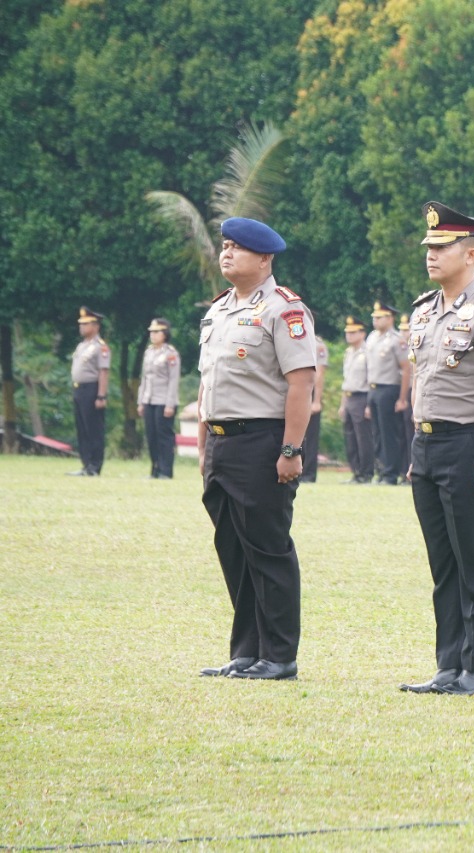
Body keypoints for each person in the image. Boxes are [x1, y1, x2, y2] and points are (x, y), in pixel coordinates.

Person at [398, 201, 474, 697]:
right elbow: (419, 382)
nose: (431, 254)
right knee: (441, 563)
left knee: (473, 560)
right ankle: (447, 664)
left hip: (469, 444)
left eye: (441, 247)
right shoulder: (423, 311)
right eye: (428, 246)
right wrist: (415, 451)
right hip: (427, 446)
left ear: (470, 254)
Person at [197, 217, 316, 681]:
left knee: (267, 549)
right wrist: (205, 447)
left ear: (263, 258)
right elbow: (210, 385)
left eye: (237, 248)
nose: (226, 253)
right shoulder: (219, 310)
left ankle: (280, 655)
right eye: (224, 246)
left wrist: (291, 448)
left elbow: (301, 384)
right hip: (222, 445)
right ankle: (247, 651)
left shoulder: (283, 310)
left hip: (262, 442)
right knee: (234, 550)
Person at [365, 301, 410, 485]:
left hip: (389, 389)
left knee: (388, 433)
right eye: (374, 317)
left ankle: (391, 473)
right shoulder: (372, 337)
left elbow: (406, 369)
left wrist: (402, 398)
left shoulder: (397, 340)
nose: (375, 320)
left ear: (390, 318)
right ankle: (381, 470)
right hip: (373, 389)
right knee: (376, 434)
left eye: (379, 317)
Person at [68, 308, 110, 477]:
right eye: (81, 324)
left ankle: (95, 465)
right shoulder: (82, 346)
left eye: (85, 324)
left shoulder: (100, 347)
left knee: (93, 429)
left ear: (95, 326)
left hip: (92, 389)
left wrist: (101, 395)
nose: (82, 327)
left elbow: (103, 372)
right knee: (82, 429)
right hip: (79, 389)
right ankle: (86, 464)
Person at [137, 318, 180, 479]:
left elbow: (173, 380)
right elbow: (144, 378)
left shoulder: (170, 354)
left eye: (156, 332)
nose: (152, 335)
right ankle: (155, 469)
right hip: (149, 399)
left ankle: (166, 471)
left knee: (164, 437)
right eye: (151, 332)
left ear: (165, 333)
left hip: (164, 401)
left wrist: (170, 404)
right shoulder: (149, 352)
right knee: (151, 436)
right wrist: (141, 401)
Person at [338, 316, 375, 484]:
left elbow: (371, 379)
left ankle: (366, 473)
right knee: (350, 437)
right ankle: (356, 472)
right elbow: (346, 381)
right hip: (349, 397)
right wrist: (342, 405)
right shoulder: (348, 352)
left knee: (363, 438)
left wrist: (369, 405)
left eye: (353, 332)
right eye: (348, 332)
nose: (349, 336)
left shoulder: (368, 352)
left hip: (362, 397)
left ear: (362, 333)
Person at [300, 335, 328, 483]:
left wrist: (316, 400)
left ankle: (308, 473)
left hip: (310, 391)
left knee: (310, 436)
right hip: (296, 390)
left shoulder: (317, 344)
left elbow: (319, 373)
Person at [399, 313, 415, 483]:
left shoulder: (416, 345)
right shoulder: (404, 348)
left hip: (415, 392)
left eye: (407, 330)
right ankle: (404, 470)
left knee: (412, 436)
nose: (404, 333)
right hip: (409, 392)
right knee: (404, 436)